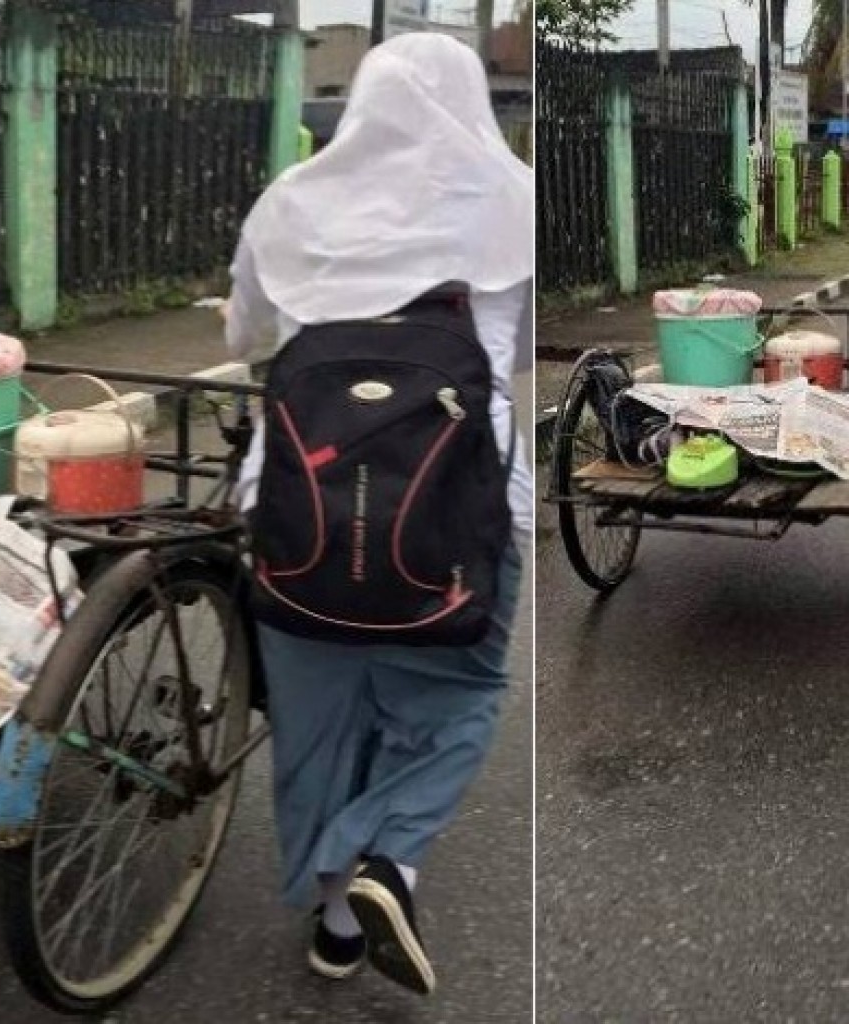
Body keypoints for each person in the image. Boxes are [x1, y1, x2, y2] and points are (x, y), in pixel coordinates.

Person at [223, 32, 533, 997]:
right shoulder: (514, 197)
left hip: (297, 506)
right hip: (465, 506)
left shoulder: (294, 200)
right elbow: (516, 352)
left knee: (318, 718)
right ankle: (388, 862)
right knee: (454, 696)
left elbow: (250, 337)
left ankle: (336, 921)